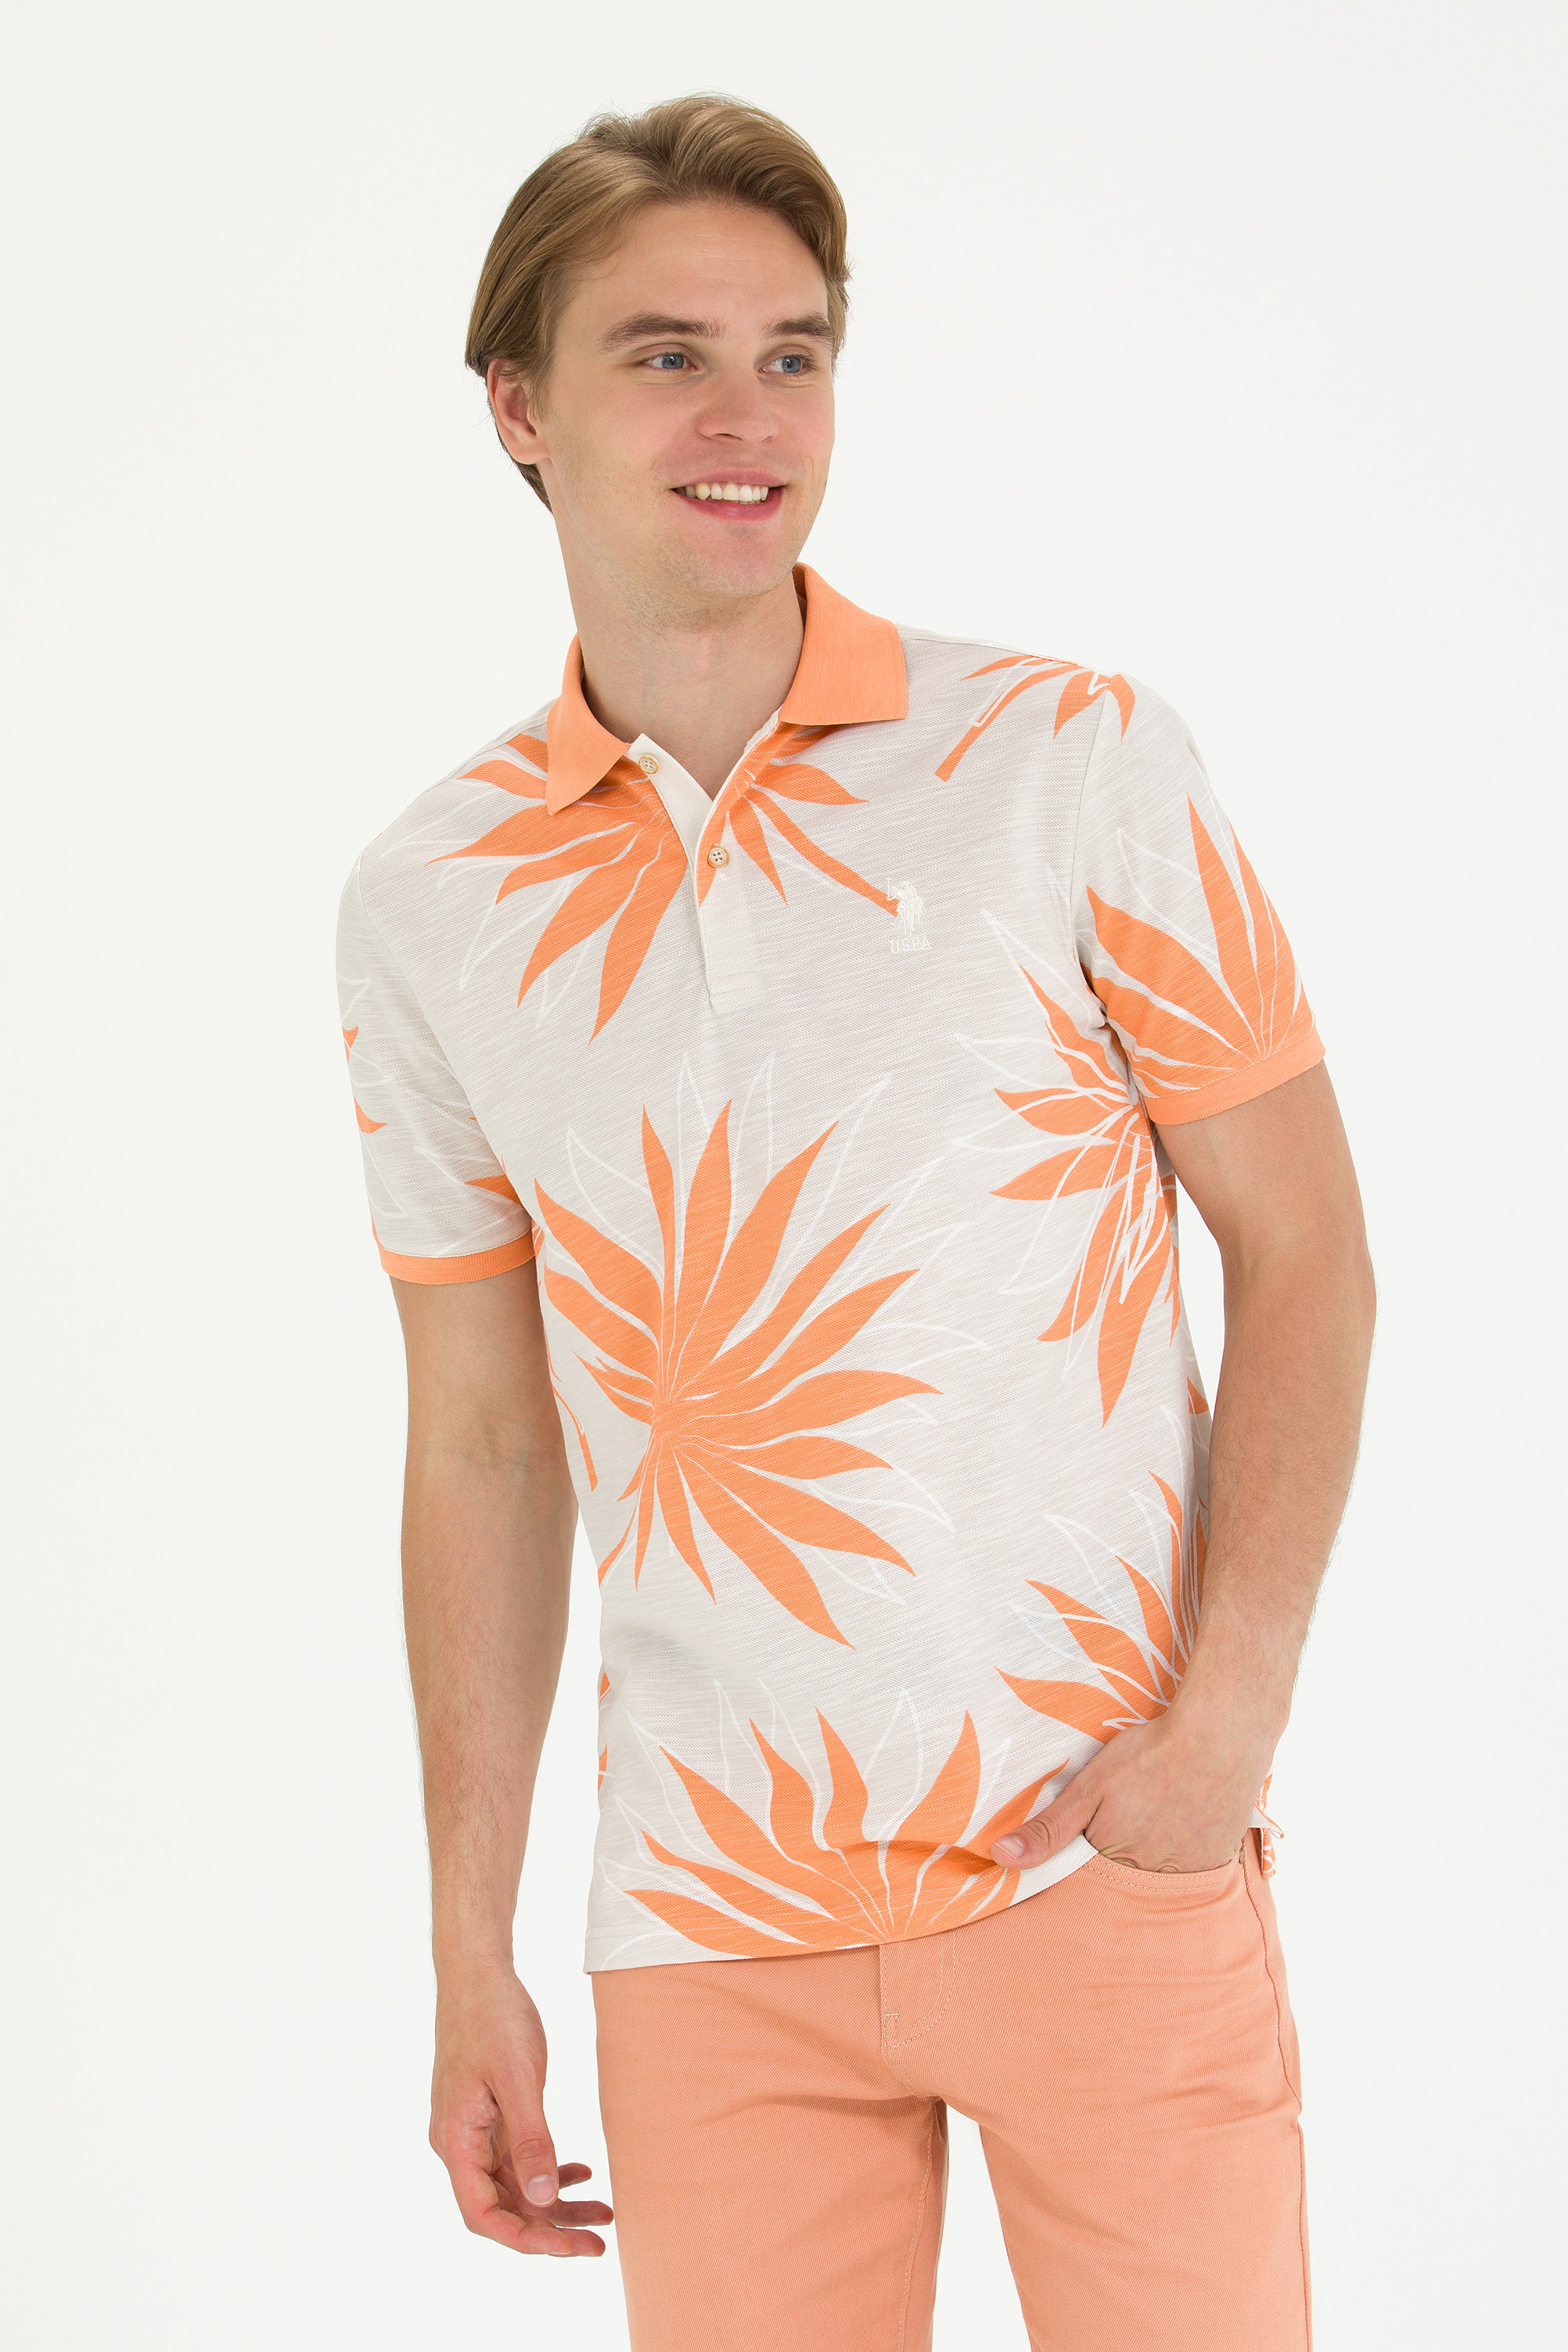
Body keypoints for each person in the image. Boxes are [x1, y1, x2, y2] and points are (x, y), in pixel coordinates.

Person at [336, 91, 1374, 2352]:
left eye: (792, 354)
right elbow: (483, 1445)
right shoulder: (430, 902)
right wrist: (467, 1949)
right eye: (666, 355)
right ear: (516, 407)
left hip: (1096, 1851)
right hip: (708, 1917)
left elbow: (1303, 1245)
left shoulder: (1069, 759)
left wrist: (1222, 1735)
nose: (748, 418)